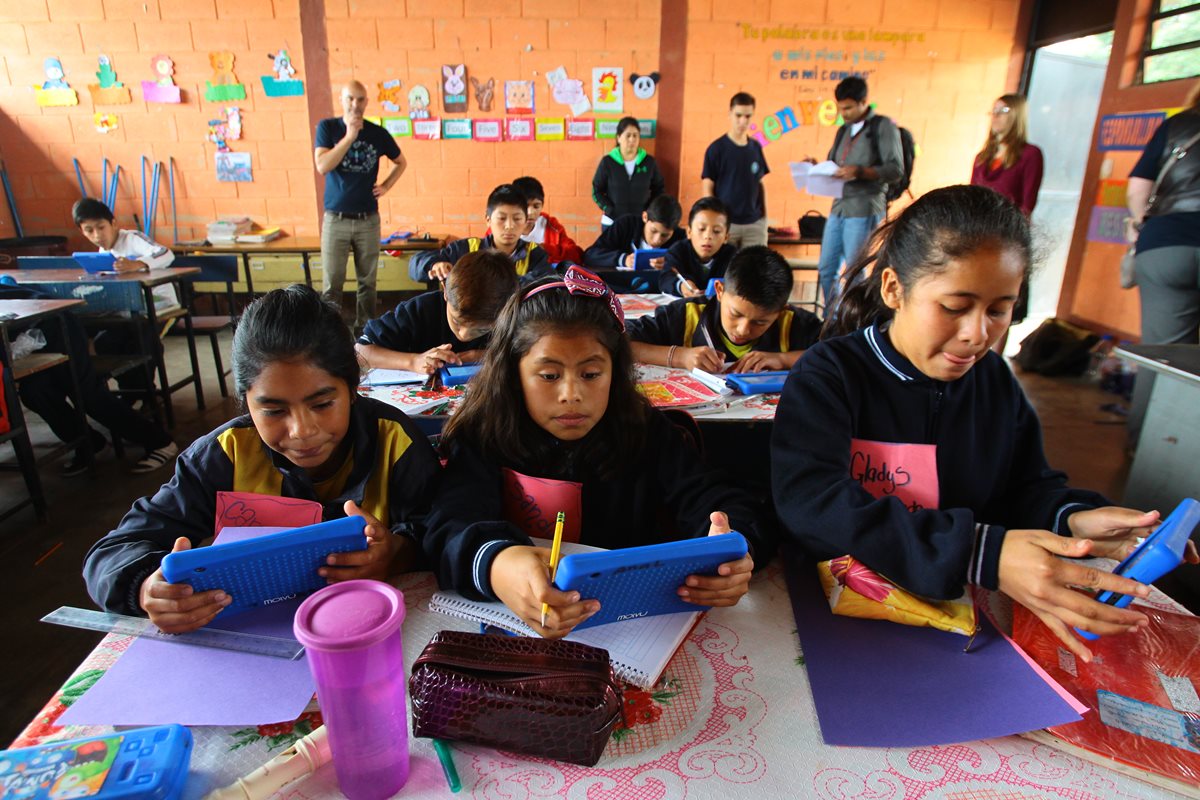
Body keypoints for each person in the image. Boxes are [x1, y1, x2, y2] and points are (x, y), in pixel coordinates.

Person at [770, 185, 1197, 662]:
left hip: (964, 625)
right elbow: (812, 505)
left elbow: (1025, 486)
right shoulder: (831, 374)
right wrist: (980, 553)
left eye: (999, 310)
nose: (977, 334)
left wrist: (1071, 517)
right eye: (954, 307)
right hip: (838, 615)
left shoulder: (994, 380)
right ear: (894, 289)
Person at [421, 266, 773, 637]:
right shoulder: (484, 434)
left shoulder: (647, 433)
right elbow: (447, 526)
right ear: (512, 373)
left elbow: (719, 501)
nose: (571, 394)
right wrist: (496, 564)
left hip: (635, 633)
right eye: (549, 375)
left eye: (591, 374)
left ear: (615, 372)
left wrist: (732, 550)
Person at [82, 285, 441, 632]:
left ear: (352, 388)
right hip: (255, 643)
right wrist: (147, 589)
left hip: (372, 631)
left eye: (322, 404)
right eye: (272, 410)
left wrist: (395, 552)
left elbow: (444, 528)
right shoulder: (225, 454)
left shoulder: (395, 440)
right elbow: (110, 553)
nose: (301, 431)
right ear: (246, 401)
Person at [0, 279, 177, 475]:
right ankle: (89, 443)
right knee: (34, 392)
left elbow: (13, 287)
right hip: (29, 341)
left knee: (87, 394)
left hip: (55, 326)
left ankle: (159, 442)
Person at [629, 245, 821, 373]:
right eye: (735, 314)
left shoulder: (795, 324)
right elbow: (615, 339)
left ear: (781, 310)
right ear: (720, 291)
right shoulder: (687, 314)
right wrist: (680, 356)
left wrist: (783, 360)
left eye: (760, 322)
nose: (743, 330)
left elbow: (843, 355)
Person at [314, 80, 407, 333]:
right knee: (333, 282)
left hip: (368, 219)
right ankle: (330, 333)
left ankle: (365, 331)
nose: (356, 104)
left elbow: (401, 162)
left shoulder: (377, 133)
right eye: (351, 99)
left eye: (361, 99)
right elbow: (323, 165)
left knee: (368, 281)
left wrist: (386, 185)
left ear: (367, 101)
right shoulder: (328, 128)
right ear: (342, 100)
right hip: (336, 219)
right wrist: (350, 137)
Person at [810, 76, 903, 309]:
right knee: (827, 268)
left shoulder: (882, 127)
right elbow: (834, 163)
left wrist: (860, 171)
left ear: (864, 102)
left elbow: (895, 169)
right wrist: (817, 166)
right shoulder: (843, 130)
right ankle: (832, 316)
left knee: (854, 269)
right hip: (839, 206)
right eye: (841, 108)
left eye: (849, 107)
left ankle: (852, 319)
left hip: (864, 207)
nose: (844, 113)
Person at [73, 198, 177, 399]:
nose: (97, 235)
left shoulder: (132, 239)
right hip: (127, 312)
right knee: (107, 342)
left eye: (101, 227)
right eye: (89, 230)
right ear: (81, 231)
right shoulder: (102, 255)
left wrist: (139, 263)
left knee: (142, 338)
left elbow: (166, 254)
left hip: (157, 305)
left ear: (113, 223)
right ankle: (133, 390)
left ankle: (144, 391)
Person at [356, 250, 519, 374]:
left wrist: (484, 355)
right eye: (456, 322)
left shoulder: (512, 316)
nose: (463, 335)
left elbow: (530, 354)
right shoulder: (421, 310)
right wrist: (413, 362)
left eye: (482, 330)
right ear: (446, 293)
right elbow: (360, 352)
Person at [1126, 81, 1200, 348]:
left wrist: (1138, 222)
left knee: (1164, 356)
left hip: (1165, 244)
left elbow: (1138, 190)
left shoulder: (1176, 125)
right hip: (1168, 242)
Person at [410, 184, 552, 284]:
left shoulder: (534, 253)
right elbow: (415, 265)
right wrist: (434, 265)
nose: (509, 226)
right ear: (488, 220)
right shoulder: (467, 249)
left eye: (517, 219)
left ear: (525, 221)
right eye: (502, 218)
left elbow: (543, 283)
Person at [702, 92, 769, 248]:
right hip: (726, 224)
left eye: (747, 116)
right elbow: (707, 187)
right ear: (730, 114)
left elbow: (759, 184)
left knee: (755, 270)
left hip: (754, 224)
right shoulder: (716, 149)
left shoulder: (755, 147)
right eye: (738, 115)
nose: (742, 121)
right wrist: (715, 222)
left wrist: (763, 219)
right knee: (727, 270)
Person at [971, 94, 1044, 216]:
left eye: (1003, 110)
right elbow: (971, 198)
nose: (996, 115)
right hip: (978, 227)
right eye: (994, 110)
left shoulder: (1030, 154)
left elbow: (1027, 204)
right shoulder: (981, 158)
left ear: (1017, 114)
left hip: (1007, 230)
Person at [591, 116, 665, 226]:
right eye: (628, 135)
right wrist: (608, 208)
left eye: (635, 135)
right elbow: (596, 190)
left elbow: (659, 189)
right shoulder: (608, 162)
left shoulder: (649, 162)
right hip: (612, 222)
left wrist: (649, 209)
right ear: (619, 137)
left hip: (640, 222)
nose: (632, 139)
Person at [583, 194, 685, 271]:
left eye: (665, 235)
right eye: (653, 231)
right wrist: (623, 259)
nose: (657, 240)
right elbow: (590, 255)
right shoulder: (626, 225)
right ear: (645, 217)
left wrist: (672, 263)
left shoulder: (680, 238)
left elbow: (696, 264)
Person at [660, 197, 736, 297]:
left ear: (726, 237)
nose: (708, 236)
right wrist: (681, 286)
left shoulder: (733, 256)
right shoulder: (678, 251)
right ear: (689, 232)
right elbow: (666, 278)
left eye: (716, 231)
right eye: (701, 229)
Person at [512, 176, 585, 264]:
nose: (531, 212)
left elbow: (576, 254)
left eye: (536, 206)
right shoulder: (500, 225)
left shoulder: (552, 227)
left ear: (542, 205)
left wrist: (545, 249)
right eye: (525, 206)